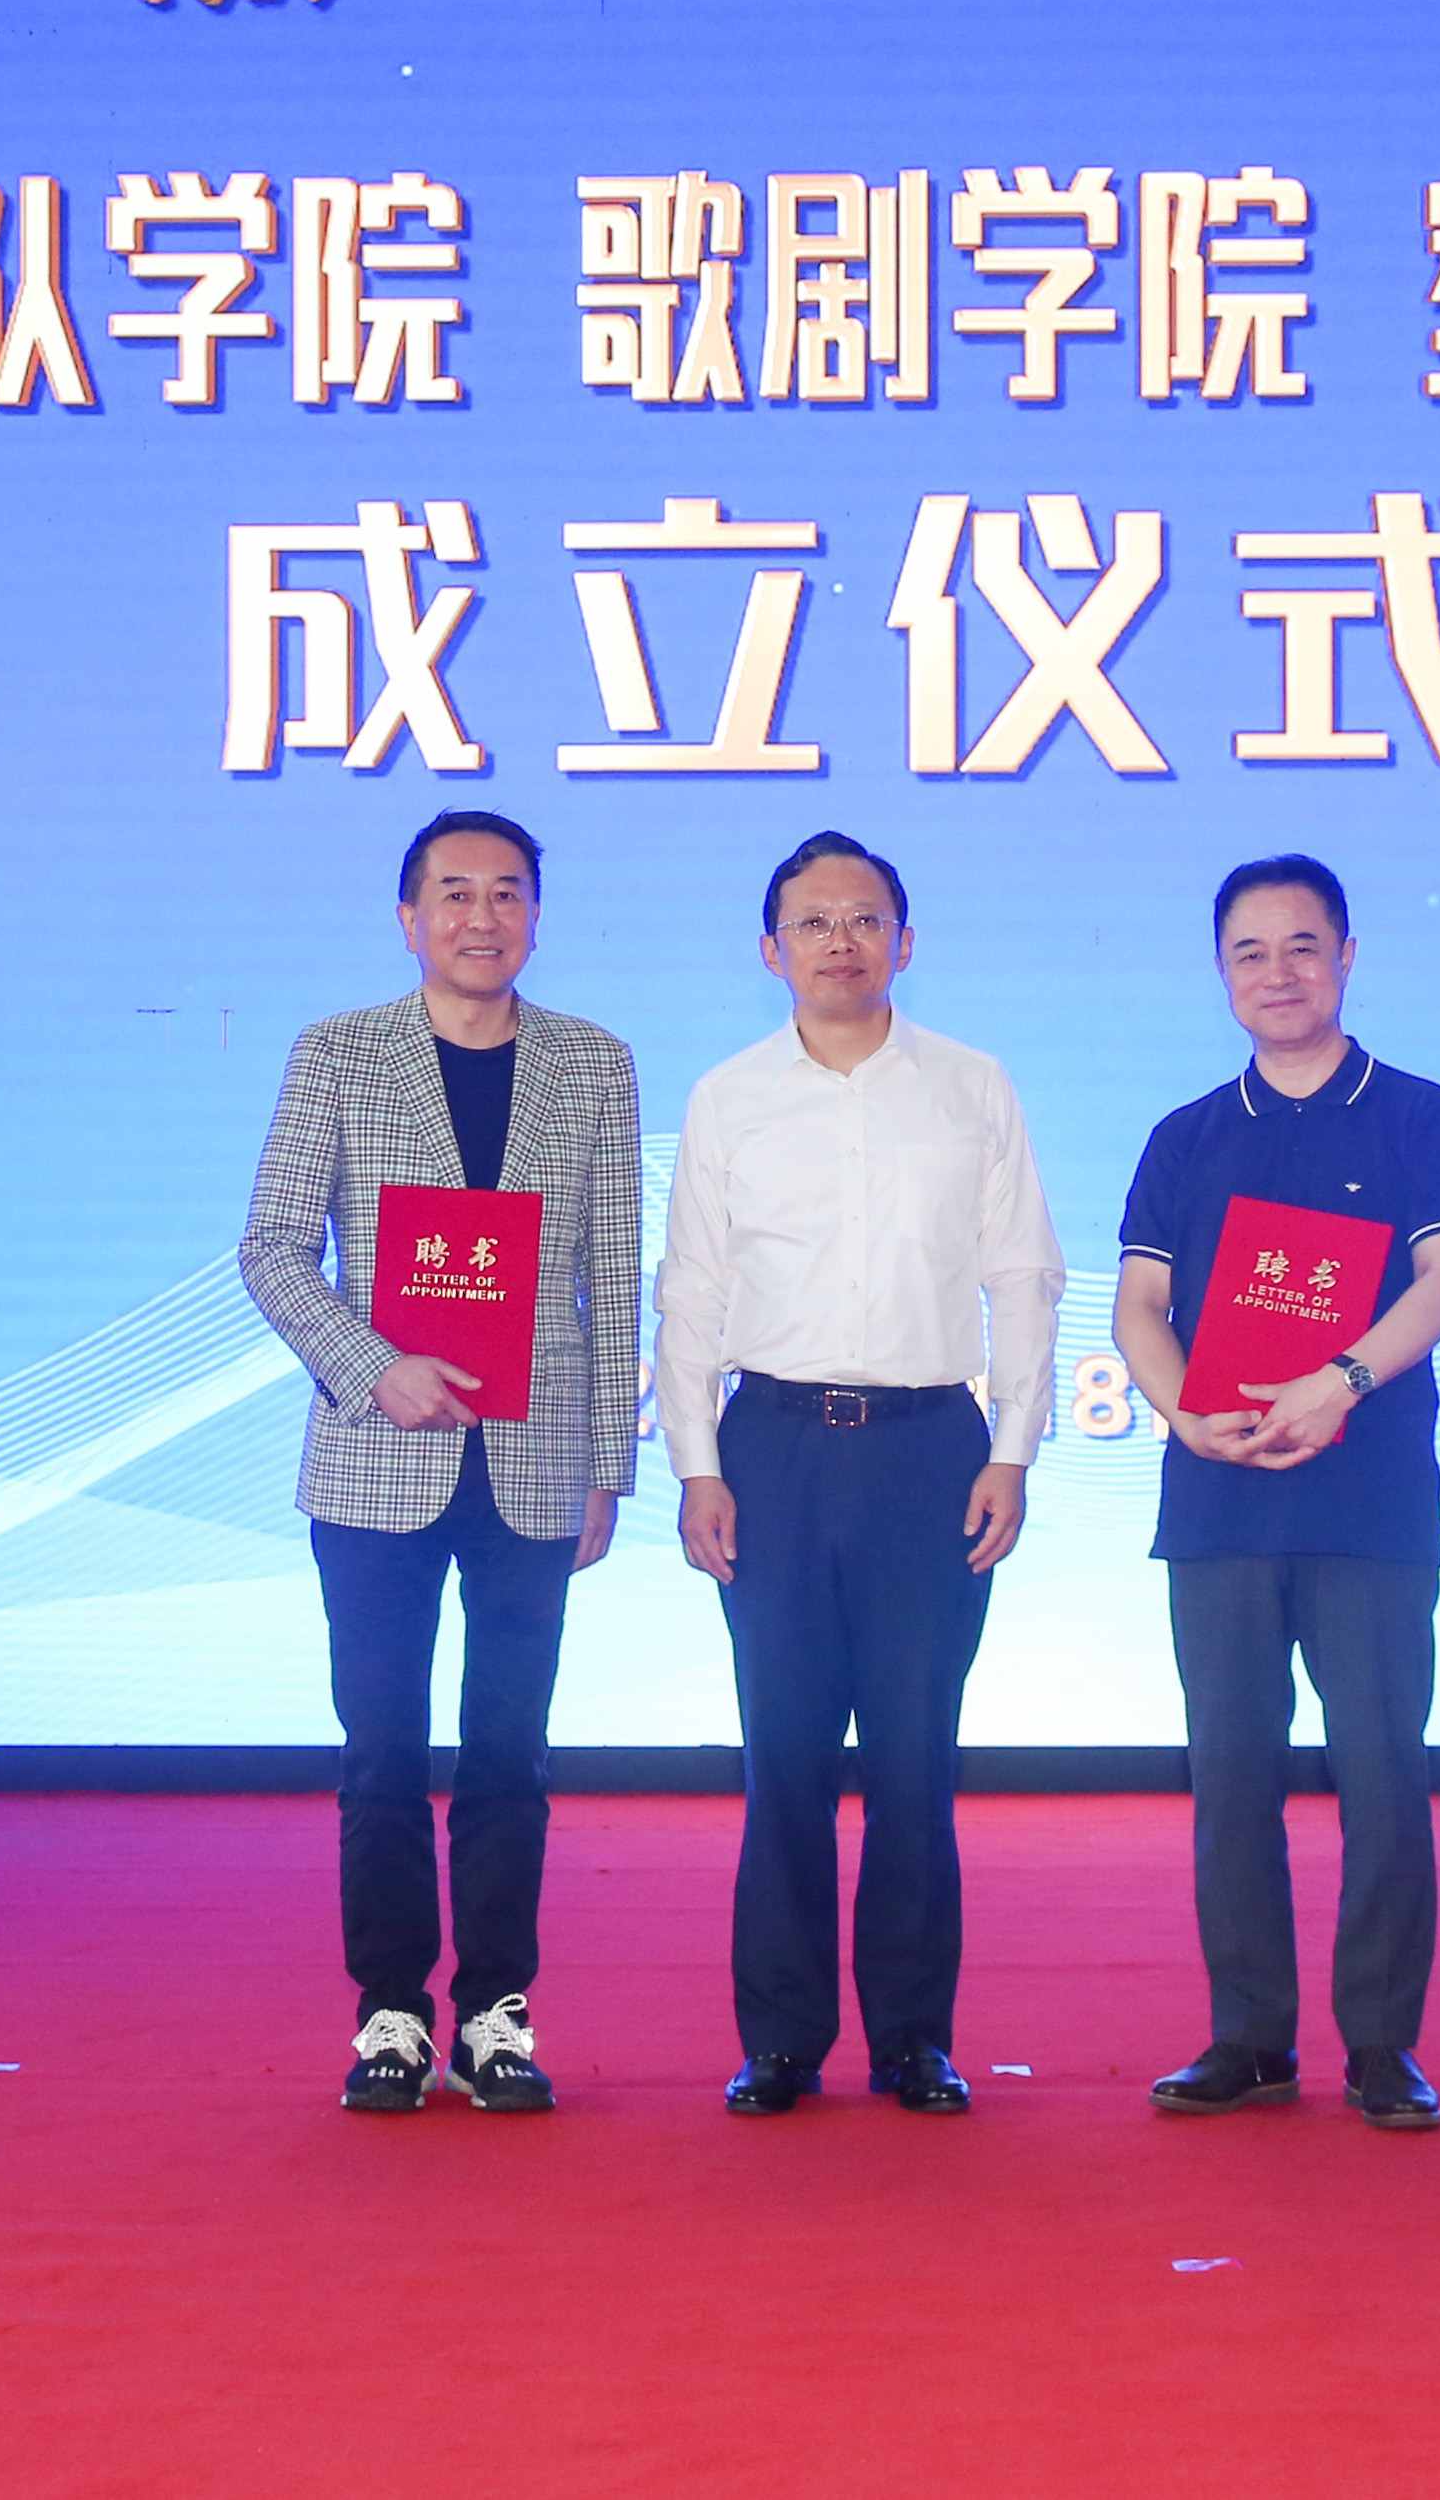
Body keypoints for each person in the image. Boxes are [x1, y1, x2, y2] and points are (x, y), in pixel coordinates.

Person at [239, 809, 644, 2114]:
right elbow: (272, 1246)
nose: (483, 917)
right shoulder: (338, 1051)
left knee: (511, 1753)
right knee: (381, 1751)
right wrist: (372, 1365)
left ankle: (497, 2015)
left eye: (507, 893)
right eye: (455, 893)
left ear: (537, 914)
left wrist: (609, 1464)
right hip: (376, 1457)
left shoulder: (594, 1062)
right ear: (409, 917)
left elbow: (611, 1274)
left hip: (537, 1458)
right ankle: (391, 2014)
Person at [658, 831, 1063, 2116]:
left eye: (865, 917)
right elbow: (692, 1288)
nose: (840, 939)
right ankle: (780, 2039)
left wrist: (1012, 1447)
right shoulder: (728, 1096)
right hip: (772, 1449)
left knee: (913, 1759)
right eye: (813, 921)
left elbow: (1022, 1274)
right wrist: (695, 1462)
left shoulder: (971, 1085)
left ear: (905, 938)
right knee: (780, 1754)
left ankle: (912, 2039)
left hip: (929, 1451)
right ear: (770, 948)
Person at [1106, 853, 1440, 2132]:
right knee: (1229, 1774)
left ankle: (1382, 2043)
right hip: (1218, 1502)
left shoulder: (1420, 1115)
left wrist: (1342, 1379)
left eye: (1302, 946)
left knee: (1381, 1768)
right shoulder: (1187, 1136)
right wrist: (1184, 1412)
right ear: (1222, 973)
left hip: (1368, 1500)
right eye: (1250, 952)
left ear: (1346, 955)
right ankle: (1250, 2035)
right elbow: (1139, 1306)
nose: (1278, 973)